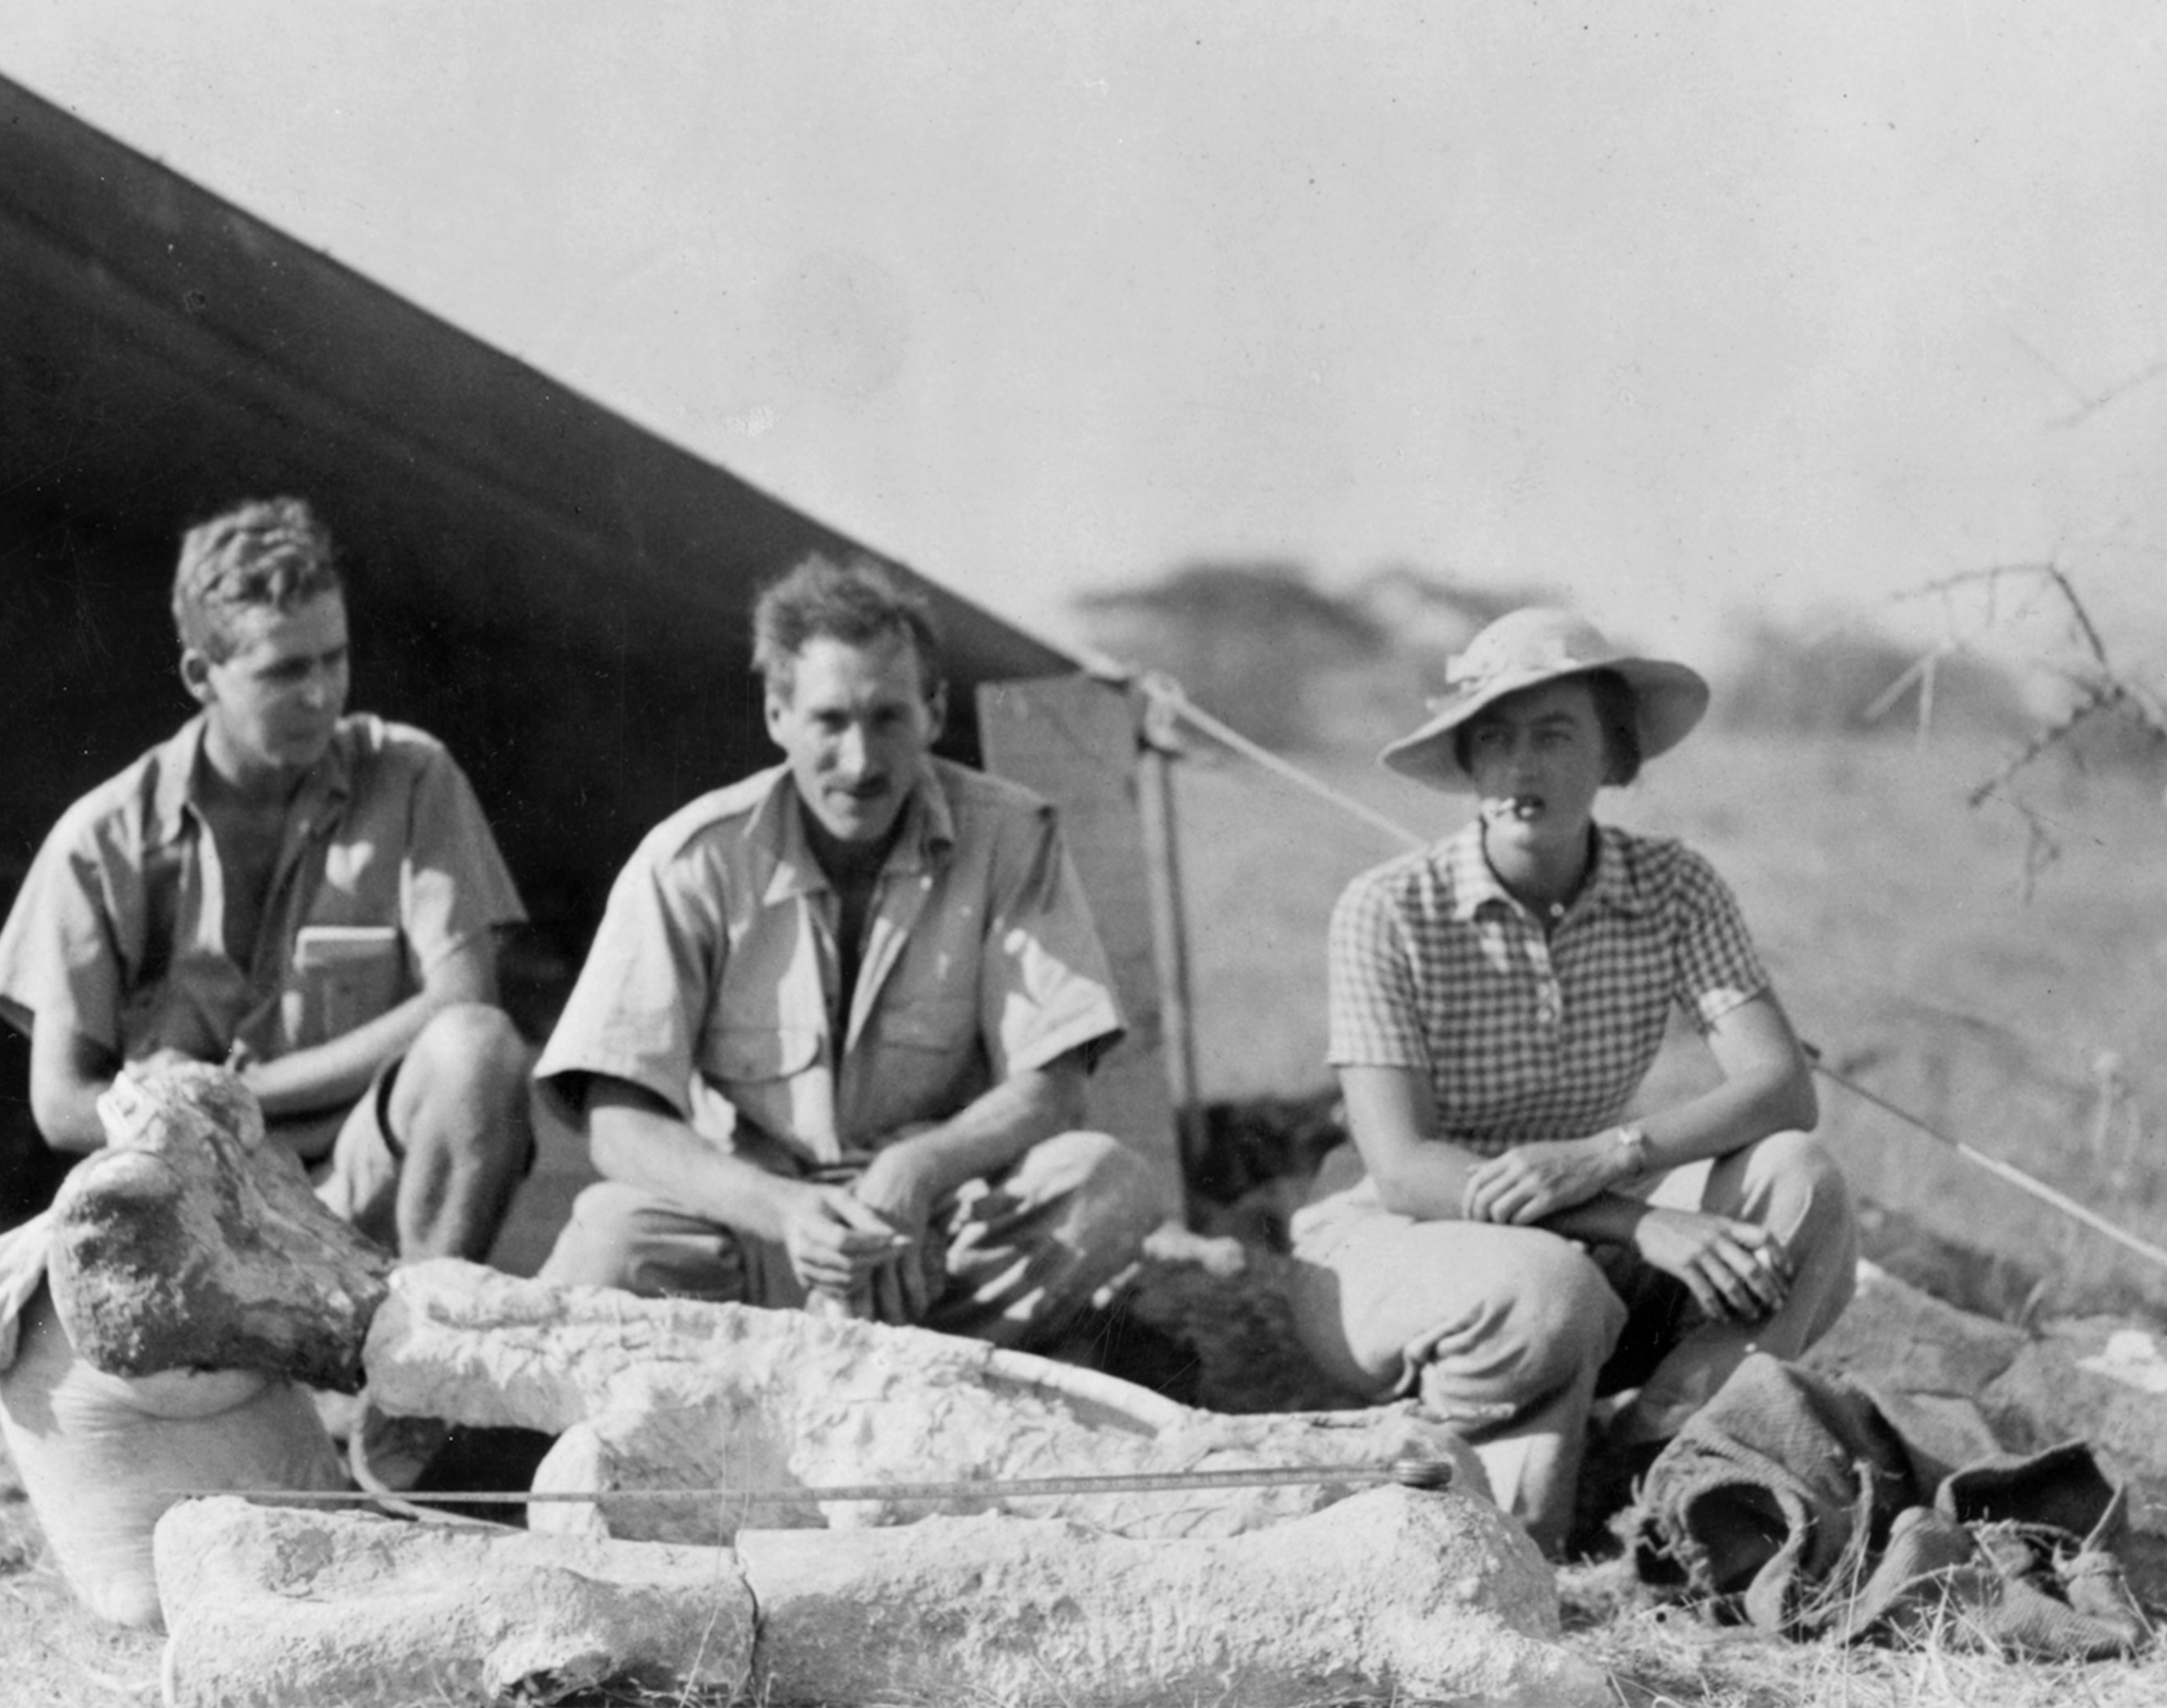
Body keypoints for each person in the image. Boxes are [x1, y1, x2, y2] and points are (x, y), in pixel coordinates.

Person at [1286, 606, 1857, 1556]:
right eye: (1495, 738)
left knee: (1803, 1182)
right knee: (1548, 1289)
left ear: (1613, 756)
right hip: (1396, 1246)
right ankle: (1505, 1546)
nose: (1522, 767)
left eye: (1554, 736)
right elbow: (1405, 1170)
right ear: (1467, 760)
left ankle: (1663, 1474)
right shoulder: (1387, 909)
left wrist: (1609, 1155)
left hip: (1578, 1229)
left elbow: (1781, 1088)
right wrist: (1635, 1220)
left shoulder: (1673, 887)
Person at [533, 552, 1164, 1347]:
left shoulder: (1012, 836)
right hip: (752, 1232)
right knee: (610, 1237)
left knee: (1104, 1186)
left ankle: (921, 1372)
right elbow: (619, 1122)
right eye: (830, 721)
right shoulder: (691, 859)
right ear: (777, 716)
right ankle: (788, 1371)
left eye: (888, 718)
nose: (861, 762)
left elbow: (1054, 1085)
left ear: (934, 712)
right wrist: (785, 1211)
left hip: (936, 1234)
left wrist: (917, 1170)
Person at [0, 496, 537, 1261]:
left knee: (479, 1050)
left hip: (360, 1190)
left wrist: (231, 1094)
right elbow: (61, 1102)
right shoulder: (103, 839)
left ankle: (427, 1320)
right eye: (285, 670)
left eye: (335, 658)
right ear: (200, 674)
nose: (322, 693)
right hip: (189, 1210)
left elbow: (464, 1000)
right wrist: (175, 1120)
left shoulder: (412, 778)